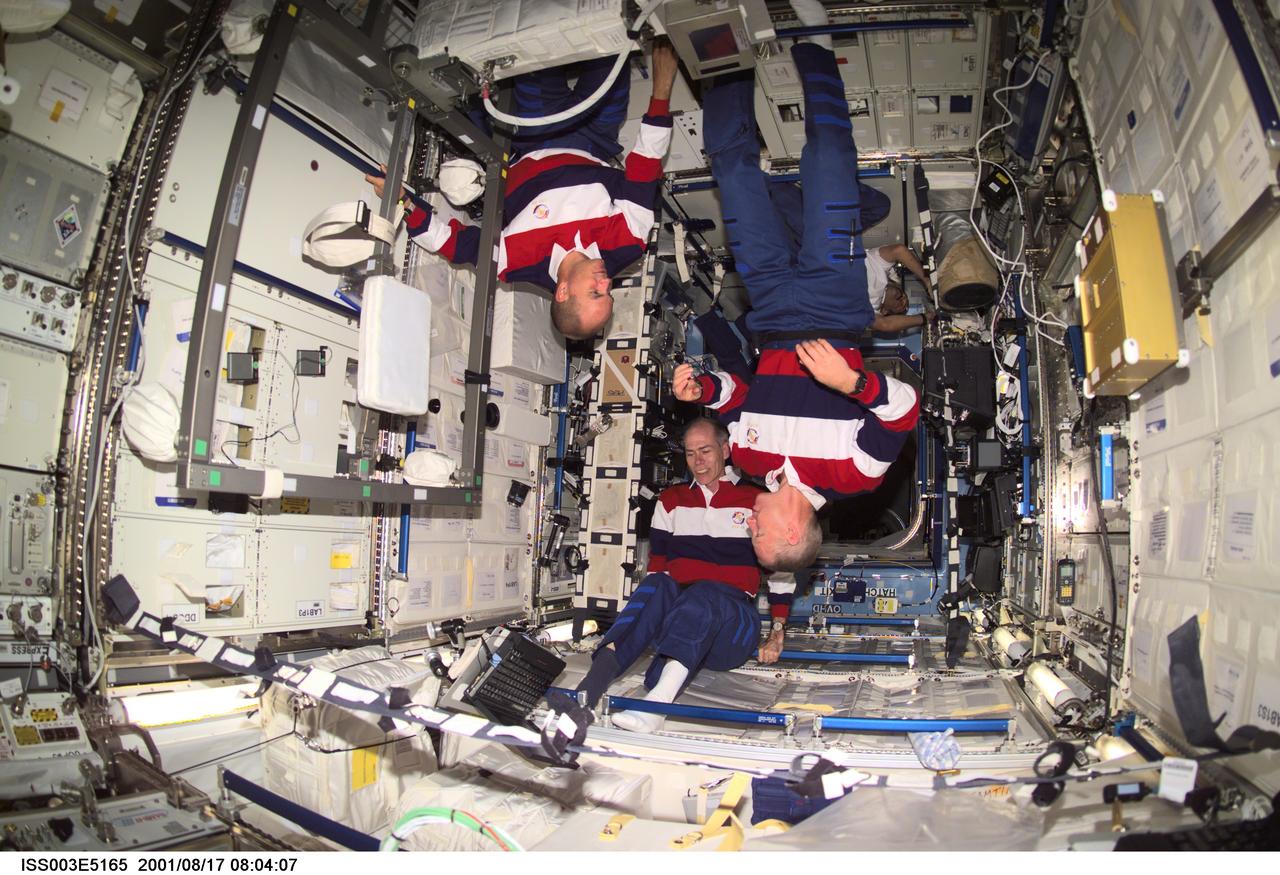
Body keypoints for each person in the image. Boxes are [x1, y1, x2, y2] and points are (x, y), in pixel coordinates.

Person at [671, 5, 920, 574]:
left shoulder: (753, 460)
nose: (748, 522)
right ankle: (813, 42)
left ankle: (723, 55)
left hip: (774, 309)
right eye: (757, 534)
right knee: (828, 160)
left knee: (733, 173)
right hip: (836, 308)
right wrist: (852, 382)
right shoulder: (854, 474)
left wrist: (702, 388)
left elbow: (736, 398)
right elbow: (904, 412)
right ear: (790, 530)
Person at [366, 42, 680, 339]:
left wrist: (404, 200)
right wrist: (662, 91)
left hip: (534, 133)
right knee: (613, 36)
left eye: (596, 290)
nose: (607, 281)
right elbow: (644, 167)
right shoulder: (628, 243)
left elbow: (452, 244)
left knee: (532, 40)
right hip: (596, 137)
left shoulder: (514, 262)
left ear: (563, 291)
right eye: (608, 291)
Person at [573, 418, 794, 733]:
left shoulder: (756, 501)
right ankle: (587, 693)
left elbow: (780, 573)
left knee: (703, 593)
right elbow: (658, 568)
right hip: (682, 615)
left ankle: (657, 705)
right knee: (658, 582)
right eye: (690, 454)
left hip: (732, 626)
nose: (698, 462)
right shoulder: (672, 501)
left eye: (705, 451)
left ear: (726, 450)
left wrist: (777, 633)